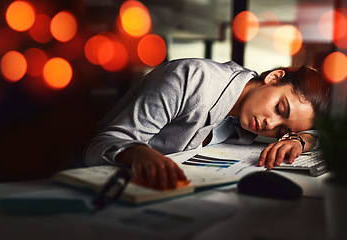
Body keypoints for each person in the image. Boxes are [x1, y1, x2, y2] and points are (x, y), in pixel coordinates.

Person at [84, 58, 331, 190]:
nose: (270, 124)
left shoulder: (244, 114)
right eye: (280, 108)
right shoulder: (190, 79)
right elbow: (103, 143)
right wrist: (137, 152)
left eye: (281, 129)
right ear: (274, 77)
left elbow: (319, 132)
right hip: (101, 185)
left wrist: (299, 139)